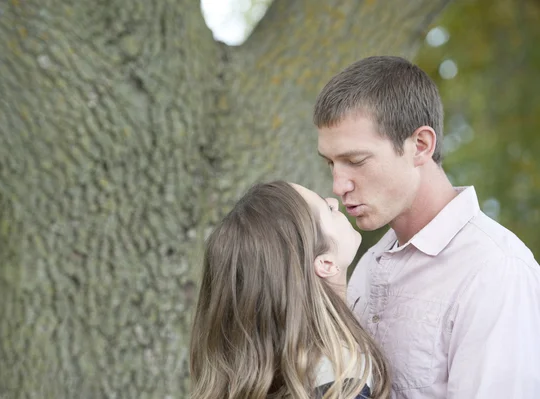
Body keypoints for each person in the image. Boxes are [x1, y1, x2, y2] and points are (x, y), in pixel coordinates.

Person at [313, 55, 540, 398]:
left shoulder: (495, 271)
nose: (338, 185)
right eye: (332, 163)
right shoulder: (366, 266)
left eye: (355, 161)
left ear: (420, 145)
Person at [189, 181, 391, 398]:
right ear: (326, 264)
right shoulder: (338, 376)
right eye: (328, 209)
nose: (335, 201)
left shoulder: (255, 376)